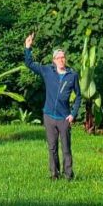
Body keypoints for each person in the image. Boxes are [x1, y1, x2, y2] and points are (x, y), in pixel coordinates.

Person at [24, 32, 81, 180]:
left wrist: (73, 114)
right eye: (58, 58)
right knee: (52, 148)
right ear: (54, 60)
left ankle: (68, 175)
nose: (61, 60)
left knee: (66, 148)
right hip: (49, 116)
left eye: (63, 57)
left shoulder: (72, 75)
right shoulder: (47, 71)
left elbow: (79, 96)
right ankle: (54, 175)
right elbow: (29, 64)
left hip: (64, 118)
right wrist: (28, 47)